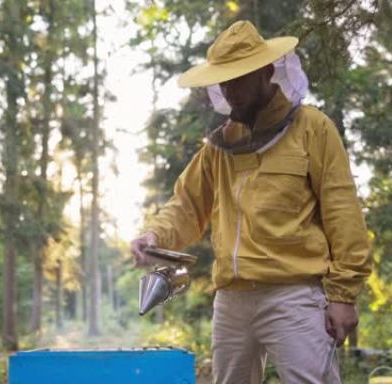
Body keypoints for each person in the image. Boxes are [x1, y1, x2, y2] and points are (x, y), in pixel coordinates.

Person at [130, 20, 371, 383]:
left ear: (267, 72)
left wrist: (343, 294)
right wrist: (155, 236)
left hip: (294, 296)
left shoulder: (313, 129)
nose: (228, 91)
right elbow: (186, 206)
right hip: (231, 300)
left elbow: (343, 212)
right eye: (223, 81)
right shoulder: (220, 146)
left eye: (237, 79)